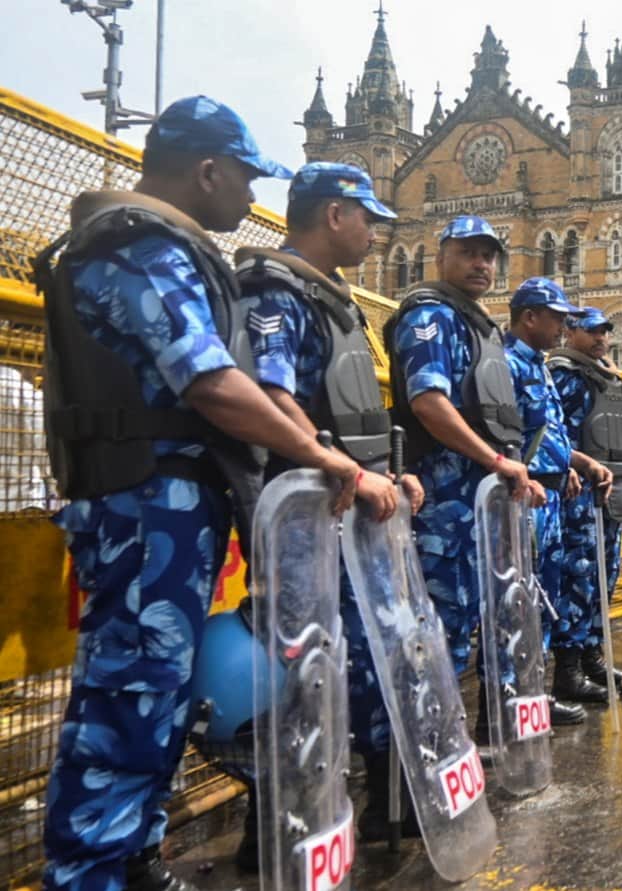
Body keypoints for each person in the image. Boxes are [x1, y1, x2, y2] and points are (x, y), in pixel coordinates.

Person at [36, 96, 368, 891]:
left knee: (158, 690)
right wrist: (316, 451)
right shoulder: (142, 245)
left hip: (167, 505)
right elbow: (210, 381)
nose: (253, 198)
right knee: (130, 691)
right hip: (144, 504)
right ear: (208, 170)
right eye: (247, 178)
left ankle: (133, 855)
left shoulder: (160, 244)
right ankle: (90, 872)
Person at [235, 161, 415, 848]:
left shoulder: (333, 297)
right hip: (304, 516)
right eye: (368, 217)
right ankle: (278, 824)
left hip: (347, 512)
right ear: (334, 214)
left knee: (362, 655)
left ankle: (374, 801)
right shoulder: (277, 290)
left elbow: (348, 406)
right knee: (300, 665)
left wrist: (387, 474)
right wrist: (343, 469)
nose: (375, 232)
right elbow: (272, 396)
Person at [384, 216, 559, 711]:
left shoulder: (473, 322)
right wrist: (497, 461)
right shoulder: (432, 316)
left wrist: (513, 472)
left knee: (475, 624)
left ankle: (461, 730)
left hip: (479, 502)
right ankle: (427, 740)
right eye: (468, 253)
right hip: (445, 504)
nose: (481, 264)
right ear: (440, 257)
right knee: (439, 631)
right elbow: (428, 402)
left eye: (488, 256)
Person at [505, 278, 615, 707]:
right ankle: (515, 700)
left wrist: (578, 463)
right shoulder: (511, 364)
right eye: (558, 319)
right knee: (524, 598)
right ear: (530, 317)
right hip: (527, 494)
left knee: (547, 594)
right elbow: (505, 433)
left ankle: (539, 690)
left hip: (552, 492)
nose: (562, 327)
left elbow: (552, 435)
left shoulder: (539, 365)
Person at [547, 308, 622, 693]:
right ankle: (568, 671)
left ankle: (592, 656)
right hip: (580, 493)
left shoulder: (604, 376)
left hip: (610, 490)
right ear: (569, 332)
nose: (601, 338)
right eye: (592, 331)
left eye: (605, 332)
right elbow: (553, 434)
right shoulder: (565, 374)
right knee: (579, 577)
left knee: (604, 574)